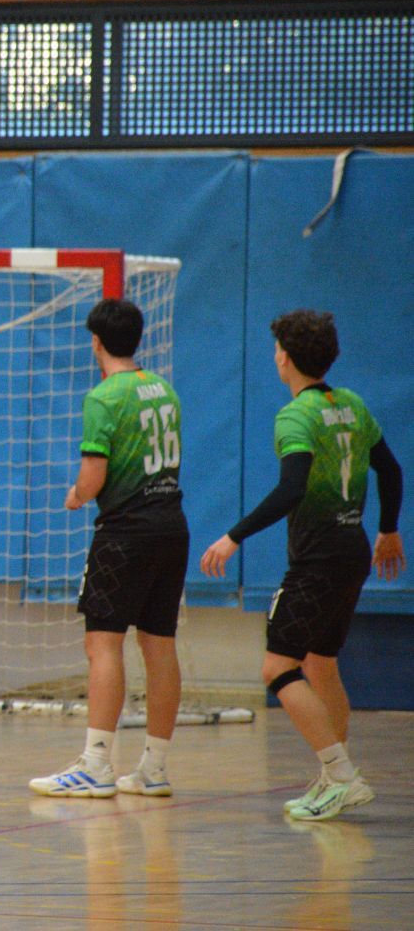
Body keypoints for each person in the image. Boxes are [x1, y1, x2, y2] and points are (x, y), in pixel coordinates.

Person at [201, 309, 403, 822]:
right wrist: (388, 529)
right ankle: (333, 778)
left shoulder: (296, 416)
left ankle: (342, 776)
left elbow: (292, 489)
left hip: (318, 558)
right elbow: (390, 468)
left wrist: (233, 536)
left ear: (284, 358)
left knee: (277, 667)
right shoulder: (352, 404)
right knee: (320, 663)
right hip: (353, 548)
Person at [29, 298, 189, 799]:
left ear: (95, 342)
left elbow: (94, 478)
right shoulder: (163, 389)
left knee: (103, 642)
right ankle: (154, 767)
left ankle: (97, 763)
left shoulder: (104, 397)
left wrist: (77, 495)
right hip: (172, 526)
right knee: (159, 645)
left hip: (126, 532)